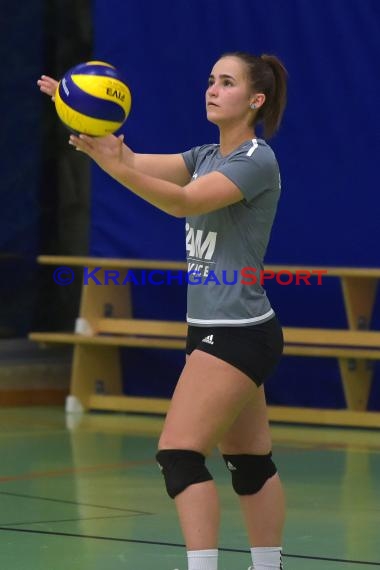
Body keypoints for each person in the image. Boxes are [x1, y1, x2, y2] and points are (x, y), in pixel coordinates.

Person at [38, 51, 288, 570]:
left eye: (226, 82)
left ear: (255, 100)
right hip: (219, 328)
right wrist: (85, 119)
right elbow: (132, 162)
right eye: (210, 80)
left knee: (178, 455)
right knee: (249, 463)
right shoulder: (205, 155)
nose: (212, 89)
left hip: (237, 331)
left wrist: (113, 164)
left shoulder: (256, 160)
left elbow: (184, 202)